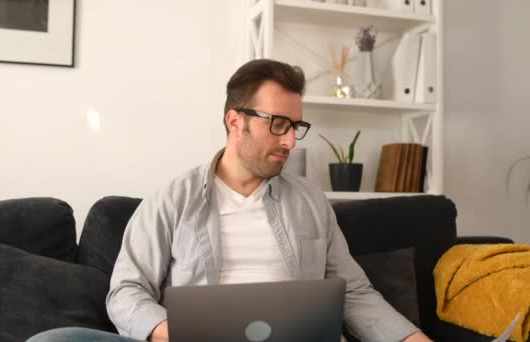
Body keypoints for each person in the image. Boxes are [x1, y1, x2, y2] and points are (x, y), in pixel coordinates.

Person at [27, 59, 432, 342]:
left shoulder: (310, 201)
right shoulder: (172, 199)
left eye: (296, 126)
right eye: (278, 124)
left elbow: (355, 293)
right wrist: (178, 333)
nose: (290, 140)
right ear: (234, 121)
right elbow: (126, 291)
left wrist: (412, 339)